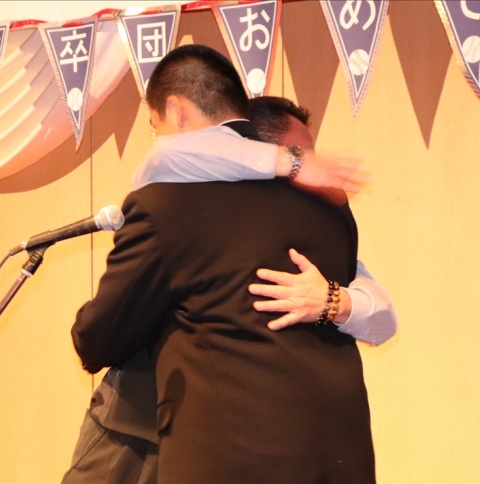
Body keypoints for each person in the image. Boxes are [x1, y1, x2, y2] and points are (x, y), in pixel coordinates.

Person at [67, 45, 386, 483]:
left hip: (231, 458)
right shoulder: (328, 203)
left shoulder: (165, 205)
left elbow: (99, 337)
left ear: (177, 112)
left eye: (155, 126)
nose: (157, 140)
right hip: (338, 458)